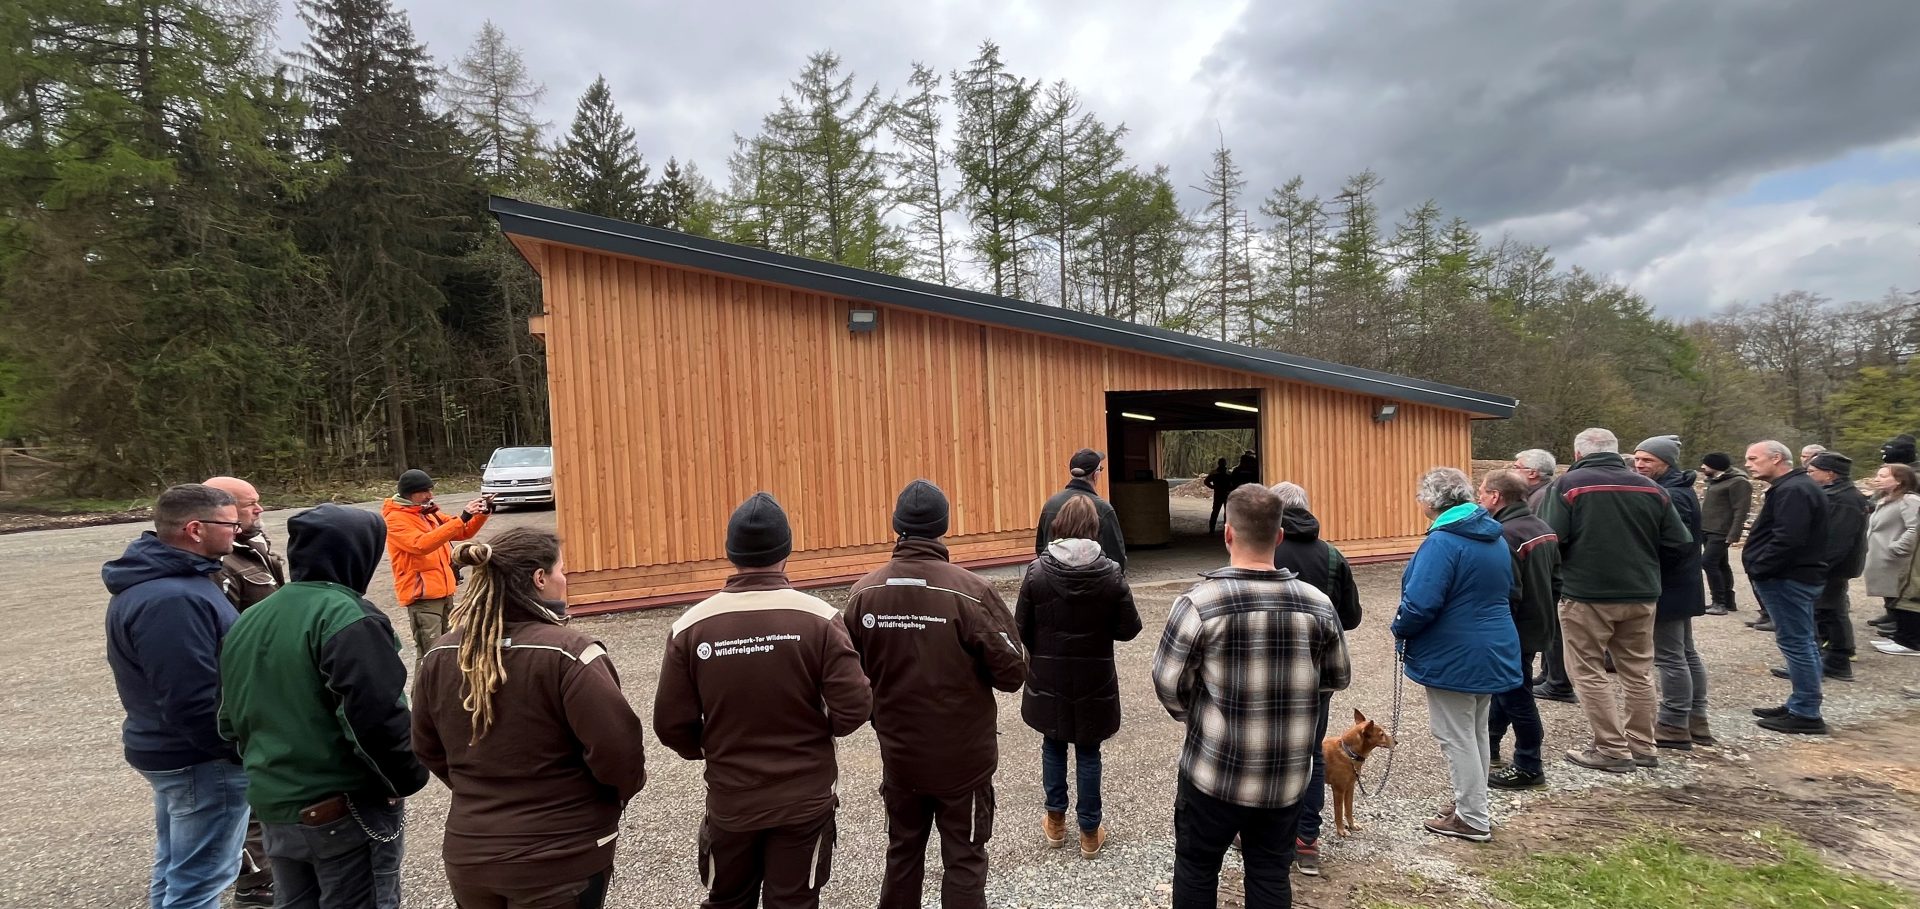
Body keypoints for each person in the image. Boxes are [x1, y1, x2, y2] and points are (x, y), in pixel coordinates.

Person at [653, 493, 871, 909]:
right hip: (803, 800)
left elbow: (670, 725)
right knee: (793, 902)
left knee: (728, 900)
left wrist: (710, 746)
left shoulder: (690, 627)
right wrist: (815, 733)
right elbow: (855, 706)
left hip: (732, 800)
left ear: (731, 553)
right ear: (785, 551)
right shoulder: (821, 619)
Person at [413, 529, 648, 909]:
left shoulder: (440, 655)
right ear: (540, 579)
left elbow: (426, 746)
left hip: (471, 853)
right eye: (561, 571)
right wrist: (606, 801)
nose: (565, 579)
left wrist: (478, 790)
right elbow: (619, 753)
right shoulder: (570, 654)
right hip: (559, 859)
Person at [218, 503, 429, 909]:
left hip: (275, 806)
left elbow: (227, 721)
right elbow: (375, 719)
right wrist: (403, 781)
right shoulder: (348, 616)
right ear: (358, 553)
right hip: (342, 810)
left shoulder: (248, 619)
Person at [1153, 484, 1351, 908]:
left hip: (1213, 772)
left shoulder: (1198, 603)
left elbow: (1168, 684)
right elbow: (1336, 677)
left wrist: (1198, 718)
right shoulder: (1318, 604)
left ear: (1227, 534)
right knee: (1269, 871)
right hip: (1286, 778)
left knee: (1197, 868)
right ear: (1279, 537)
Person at [844, 480, 1027, 908]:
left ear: (897, 527)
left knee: (903, 853)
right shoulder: (971, 592)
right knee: (963, 858)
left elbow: (847, 679)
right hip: (963, 762)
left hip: (900, 757)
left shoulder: (864, 594)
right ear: (943, 527)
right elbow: (1013, 671)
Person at [104, 484, 250, 909]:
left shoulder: (173, 582)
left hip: (179, 755)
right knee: (200, 881)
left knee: (176, 870)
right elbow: (190, 699)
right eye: (230, 523)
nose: (238, 531)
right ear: (195, 529)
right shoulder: (173, 599)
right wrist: (235, 750)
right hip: (201, 761)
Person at [1535, 428, 1691, 773]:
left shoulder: (1568, 485)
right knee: (1638, 671)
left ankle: (1611, 748)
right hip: (1641, 593)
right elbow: (1680, 542)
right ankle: (1643, 745)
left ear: (1578, 454)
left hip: (1587, 593)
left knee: (1588, 670)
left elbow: (1549, 537)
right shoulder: (1653, 488)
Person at [1393, 468, 1522, 842]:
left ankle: (1473, 817)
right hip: (1492, 644)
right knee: (1475, 730)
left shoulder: (1444, 541)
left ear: (1432, 501)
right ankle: (1472, 802)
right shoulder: (1490, 536)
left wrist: (1400, 627)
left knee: (1455, 735)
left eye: (1420, 497)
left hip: (1457, 652)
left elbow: (1421, 603)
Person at [1016, 494, 1141, 859]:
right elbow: (1129, 628)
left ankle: (1055, 823)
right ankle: (1089, 831)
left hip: (1048, 676)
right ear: (1093, 529)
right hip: (1095, 677)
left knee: (1053, 744)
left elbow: (1019, 628)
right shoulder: (1110, 573)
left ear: (1058, 526)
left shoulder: (1037, 571)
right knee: (1089, 751)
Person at [1266, 481, 1361, 875]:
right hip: (1318, 678)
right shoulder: (1334, 556)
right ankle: (1307, 839)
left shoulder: (1264, 551)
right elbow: (1352, 618)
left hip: (1269, 675)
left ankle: (1266, 835)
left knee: (1269, 754)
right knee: (1310, 755)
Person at [200, 476, 284, 907]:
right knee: (245, 790)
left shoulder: (257, 548)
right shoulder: (218, 565)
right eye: (250, 505)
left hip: (271, 686)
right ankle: (256, 880)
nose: (259, 510)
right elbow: (221, 642)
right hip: (244, 693)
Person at [1477, 469, 1558, 790]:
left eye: (1481, 493)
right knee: (1506, 688)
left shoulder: (1504, 535)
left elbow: (1508, 592)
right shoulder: (1544, 528)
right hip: (1537, 625)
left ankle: (1529, 764)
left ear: (1495, 497)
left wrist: (1497, 632)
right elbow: (1558, 581)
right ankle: (1492, 746)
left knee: (1516, 695)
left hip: (1512, 630)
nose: (1478, 498)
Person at [1743, 441, 1831, 734]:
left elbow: (1788, 539)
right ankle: (1800, 703)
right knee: (1801, 642)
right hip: (1791, 576)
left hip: (1788, 578)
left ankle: (1806, 713)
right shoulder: (1794, 487)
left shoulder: (1794, 490)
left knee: (1798, 643)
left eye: (1753, 458)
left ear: (1777, 458)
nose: (1748, 464)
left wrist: (1760, 567)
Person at [1630, 437, 1712, 751]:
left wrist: (1646, 568)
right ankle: (1695, 718)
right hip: (1681, 584)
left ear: (1666, 462)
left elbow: (1675, 543)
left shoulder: (1671, 494)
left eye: (1647, 460)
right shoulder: (1678, 488)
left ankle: (1674, 722)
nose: (1639, 465)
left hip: (1669, 586)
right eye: (1637, 459)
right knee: (1685, 652)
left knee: (1670, 657)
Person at [383, 468, 491, 658]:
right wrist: (463, 516)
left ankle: (446, 688)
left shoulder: (428, 512)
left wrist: (482, 513)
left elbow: (462, 531)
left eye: (430, 490)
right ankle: (422, 689)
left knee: (448, 652)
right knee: (430, 656)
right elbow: (421, 545)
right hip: (423, 599)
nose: (430, 495)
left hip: (444, 592)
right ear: (410, 493)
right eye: (425, 491)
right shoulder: (394, 519)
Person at [1797, 453, 1868, 681]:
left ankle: (1836, 661)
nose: (1809, 475)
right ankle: (1832, 660)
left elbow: (1837, 540)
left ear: (1829, 473)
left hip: (1832, 567)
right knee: (1829, 610)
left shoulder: (1844, 499)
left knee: (1830, 611)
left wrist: (1817, 566)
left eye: (1812, 471)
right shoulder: (1837, 494)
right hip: (1830, 565)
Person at [1513, 450, 1575, 704]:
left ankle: (1558, 682)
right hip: (1549, 574)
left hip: (1545, 574)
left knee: (1554, 629)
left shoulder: (1541, 498)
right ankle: (1549, 675)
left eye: (1516, 466)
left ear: (1532, 473)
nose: (1511, 469)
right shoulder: (1541, 494)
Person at [1036, 449, 1127, 569]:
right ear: (1095, 475)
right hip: (1092, 582)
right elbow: (1116, 557)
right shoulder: (1103, 509)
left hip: (1054, 581)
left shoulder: (1051, 504)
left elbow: (1041, 548)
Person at [1865, 464, 1920, 634]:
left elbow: (1915, 527)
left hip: (1898, 558)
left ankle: (1907, 636)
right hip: (1883, 556)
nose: (1877, 479)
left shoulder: (1909, 501)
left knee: (1901, 595)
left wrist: (1898, 547)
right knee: (1889, 593)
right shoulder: (1886, 499)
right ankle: (1898, 627)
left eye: (1882, 476)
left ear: (1899, 481)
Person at [1697, 453, 1752, 616]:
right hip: (1707, 529)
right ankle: (1728, 601)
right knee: (1721, 564)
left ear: (1715, 466)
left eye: (1705, 465)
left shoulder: (1739, 482)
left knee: (1708, 562)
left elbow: (1741, 510)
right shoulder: (1715, 481)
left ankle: (1719, 602)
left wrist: (1734, 533)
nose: (1702, 468)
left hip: (1721, 531)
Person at [1203, 458, 1232, 534]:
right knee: (1226, 513)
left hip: (1218, 494)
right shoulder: (1228, 473)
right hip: (1226, 494)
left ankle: (1212, 529)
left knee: (1215, 512)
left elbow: (1206, 481)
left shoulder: (1214, 473)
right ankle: (1226, 530)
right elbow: (1233, 483)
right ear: (1225, 464)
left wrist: (1212, 487)